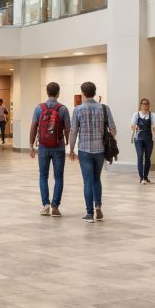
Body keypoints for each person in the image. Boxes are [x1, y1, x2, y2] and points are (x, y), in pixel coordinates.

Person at [68, 81, 116, 223]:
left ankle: (89, 214)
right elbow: (113, 129)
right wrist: (107, 137)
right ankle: (98, 206)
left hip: (84, 150)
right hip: (100, 150)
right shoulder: (104, 108)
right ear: (95, 92)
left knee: (87, 182)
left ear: (83, 93)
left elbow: (73, 131)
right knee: (97, 179)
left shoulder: (77, 110)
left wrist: (71, 149)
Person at [29, 82, 71, 217]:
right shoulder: (63, 109)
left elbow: (33, 127)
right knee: (59, 177)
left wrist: (31, 145)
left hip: (43, 146)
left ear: (47, 92)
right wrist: (68, 144)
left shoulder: (38, 108)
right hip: (58, 146)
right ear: (58, 93)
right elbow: (68, 128)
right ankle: (55, 206)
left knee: (43, 176)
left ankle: (45, 204)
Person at [130, 98, 155, 184]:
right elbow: (132, 126)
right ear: (140, 105)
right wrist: (135, 128)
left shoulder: (152, 115)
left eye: (146, 104)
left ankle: (146, 177)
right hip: (138, 139)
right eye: (143, 104)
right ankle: (141, 177)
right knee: (140, 157)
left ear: (148, 105)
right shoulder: (136, 114)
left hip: (149, 139)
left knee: (147, 158)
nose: (145, 106)